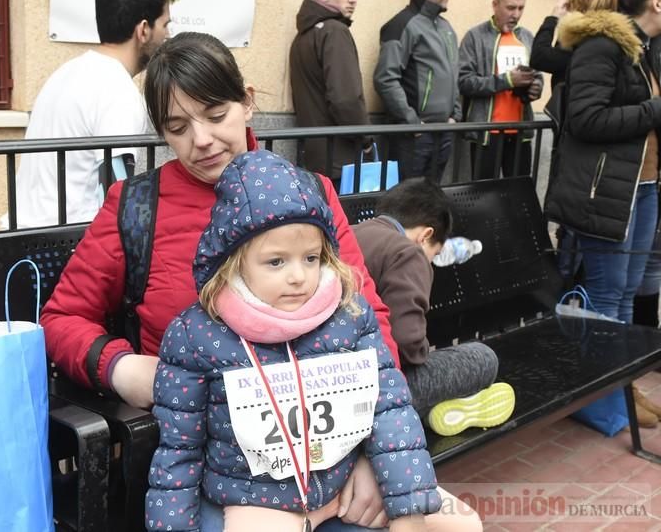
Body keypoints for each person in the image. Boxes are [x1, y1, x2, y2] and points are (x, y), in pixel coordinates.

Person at [42, 31, 481, 532]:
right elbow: (61, 317)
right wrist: (120, 367)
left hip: (332, 450)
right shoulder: (139, 207)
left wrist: (370, 456)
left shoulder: (306, 194)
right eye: (178, 127)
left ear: (247, 102)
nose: (201, 140)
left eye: (215, 113)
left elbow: (366, 315)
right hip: (220, 467)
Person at [146, 149, 446, 531]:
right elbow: (178, 452)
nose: (299, 276)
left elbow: (390, 412)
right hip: (252, 498)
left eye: (311, 257)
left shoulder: (349, 314)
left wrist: (409, 510)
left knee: (461, 524)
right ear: (233, 260)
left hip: (343, 485)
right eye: (276, 261)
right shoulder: (196, 336)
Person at [544, 0, 661, 430]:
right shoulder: (602, 46)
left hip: (641, 187)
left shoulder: (645, 49)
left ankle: (623, 386)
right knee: (608, 296)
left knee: (628, 292)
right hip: (604, 192)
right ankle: (605, 394)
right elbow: (586, 119)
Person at [352, 178, 513, 436]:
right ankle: (444, 405)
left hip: (339, 377)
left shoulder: (350, 233)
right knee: (483, 358)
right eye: (435, 254)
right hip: (377, 388)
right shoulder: (407, 252)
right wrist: (424, 349)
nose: (431, 261)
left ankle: (433, 409)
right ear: (426, 235)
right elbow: (408, 345)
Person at [5, 0, 170, 228]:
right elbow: (118, 194)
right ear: (143, 30)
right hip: (67, 239)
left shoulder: (66, 73)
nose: (167, 35)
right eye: (165, 25)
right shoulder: (116, 89)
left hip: (22, 233)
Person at [530, 0, 618, 286]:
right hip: (582, 141)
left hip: (577, 142)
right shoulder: (604, 46)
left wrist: (553, 18)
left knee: (572, 220)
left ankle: (565, 287)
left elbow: (542, 56)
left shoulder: (591, 48)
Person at [373, 0, 460, 182]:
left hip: (444, 130)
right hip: (414, 136)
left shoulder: (446, 27)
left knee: (432, 198)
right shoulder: (401, 24)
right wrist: (412, 122)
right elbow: (385, 78)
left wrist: (455, 116)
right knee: (408, 201)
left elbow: (453, 74)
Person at [289, 0, 372, 186]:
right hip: (342, 159)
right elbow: (346, 99)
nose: (353, 0)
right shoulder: (334, 31)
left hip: (316, 157)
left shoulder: (303, 36)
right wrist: (366, 140)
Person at [458, 0, 543, 179]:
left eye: (521, 9)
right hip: (487, 134)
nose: (516, 15)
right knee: (485, 196)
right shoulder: (475, 36)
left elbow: (538, 76)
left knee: (519, 195)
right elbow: (464, 82)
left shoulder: (527, 37)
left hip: (520, 133)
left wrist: (536, 88)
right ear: (495, 5)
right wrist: (506, 80)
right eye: (511, 8)